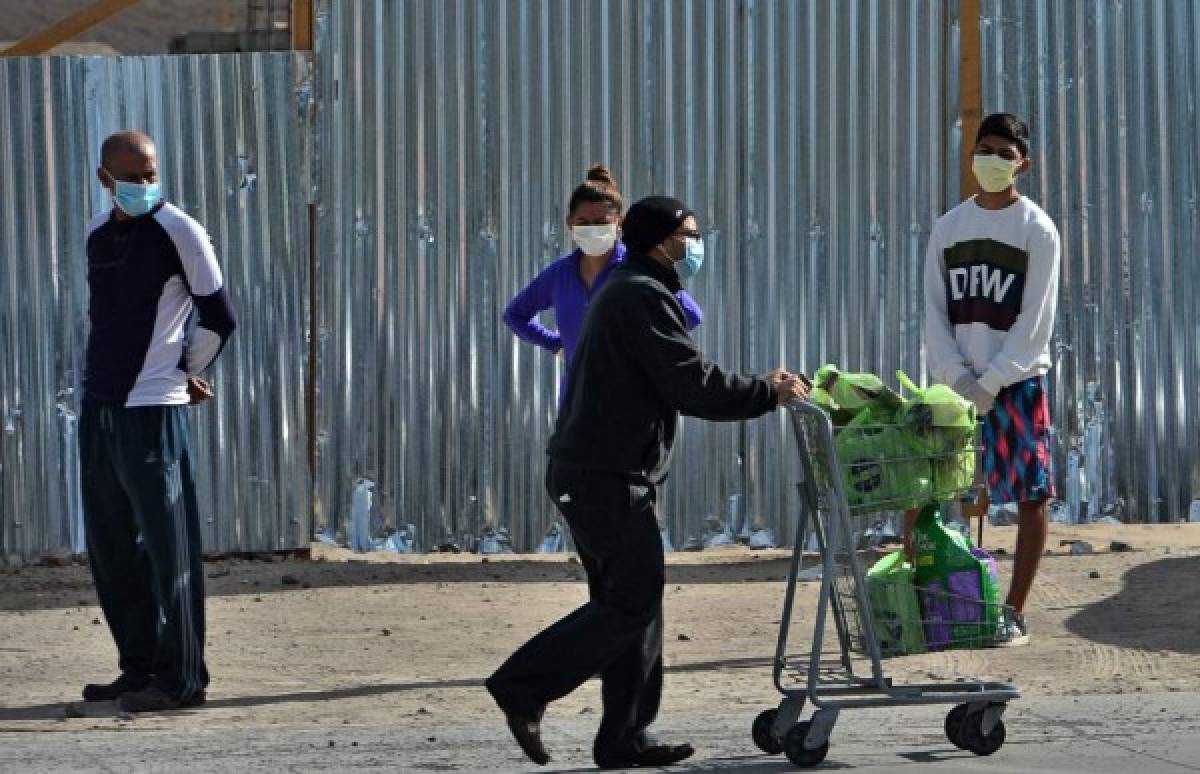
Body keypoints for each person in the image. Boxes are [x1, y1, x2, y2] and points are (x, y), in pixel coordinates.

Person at [486, 195, 809, 769]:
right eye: (690, 234)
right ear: (662, 241)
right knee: (631, 602)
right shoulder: (639, 295)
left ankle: (625, 737)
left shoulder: (638, 289)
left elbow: (681, 376)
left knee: (634, 603)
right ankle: (523, 686)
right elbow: (692, 382)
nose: (696, 245)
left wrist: (760, 387)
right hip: (603, 476)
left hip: (599, 471)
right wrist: (766, 392)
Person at [79, 130, 236, 712]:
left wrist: (180, 370)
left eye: (151, 173)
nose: (146, 185)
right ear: (105, 178)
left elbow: (219, 316)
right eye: (133, 176)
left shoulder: (181, 231)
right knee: (113, 546)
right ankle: (138, 667)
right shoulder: (96, 232)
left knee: (169, 548)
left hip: (153, 411)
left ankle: (182, 679)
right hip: (101, 409)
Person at [908, 112, 1061, 647]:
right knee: (924, 491)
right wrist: (955, 375)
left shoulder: (1036, 230)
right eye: (984, 150)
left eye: (1003, 153)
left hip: (1015, 385)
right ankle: (929, 600)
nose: (991, 161)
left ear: (1024, 163)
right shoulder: (950, 228)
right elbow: (933, 309)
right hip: (955, 384)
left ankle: (1013, 609)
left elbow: (1035, 320)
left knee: (1029, 496)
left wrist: (992, 381)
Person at [503, 165, 703, 402]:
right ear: (570, 223)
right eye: (583, 222)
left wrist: (644, 347)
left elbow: (690, 314)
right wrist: (556, 343)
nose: (592, 229)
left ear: (620, 223)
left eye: (601, 222)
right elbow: (515, 315)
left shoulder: (638, 269)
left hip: (631, 406)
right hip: (577, 407)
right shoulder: (559, 275)